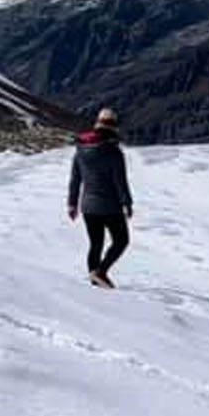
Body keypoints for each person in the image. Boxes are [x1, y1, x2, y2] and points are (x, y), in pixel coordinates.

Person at [68, 107, 133, 288]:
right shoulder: (113, 151)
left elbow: (75, 179)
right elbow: (120, 181)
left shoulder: (80, 149)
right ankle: (101, 272)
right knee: (121, 241)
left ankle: (94, 286)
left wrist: (72, 204)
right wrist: (127, 203)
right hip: (110, 206)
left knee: (95, 244)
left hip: (88, 206)